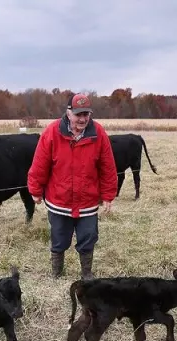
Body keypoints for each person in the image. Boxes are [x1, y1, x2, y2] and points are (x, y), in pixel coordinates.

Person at [27, 93, 118, 280]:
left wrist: (108, 195)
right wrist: (35, 189)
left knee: (88, 237)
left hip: (87, 202)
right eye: (78, 114)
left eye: (86, 114)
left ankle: (86, 273)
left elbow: (108, 167)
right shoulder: (52, 132)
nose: (83, 119)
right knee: (59, 238)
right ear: (68, 113)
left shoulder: (99, 134)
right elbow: (40, 164)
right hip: (59, 200)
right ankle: (57, 273)